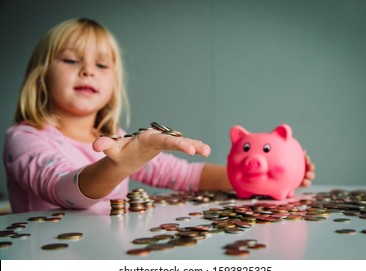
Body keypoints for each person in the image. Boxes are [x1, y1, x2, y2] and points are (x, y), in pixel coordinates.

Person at [3, 18, 315, 213]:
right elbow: (65, 191)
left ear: (114, 83)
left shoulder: (115, 137)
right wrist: (121, 163)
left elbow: (184, 176)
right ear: (40, 75)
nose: (87, 70)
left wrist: (260, 176)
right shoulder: (25, 138)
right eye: (71, 60)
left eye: (101, 65)